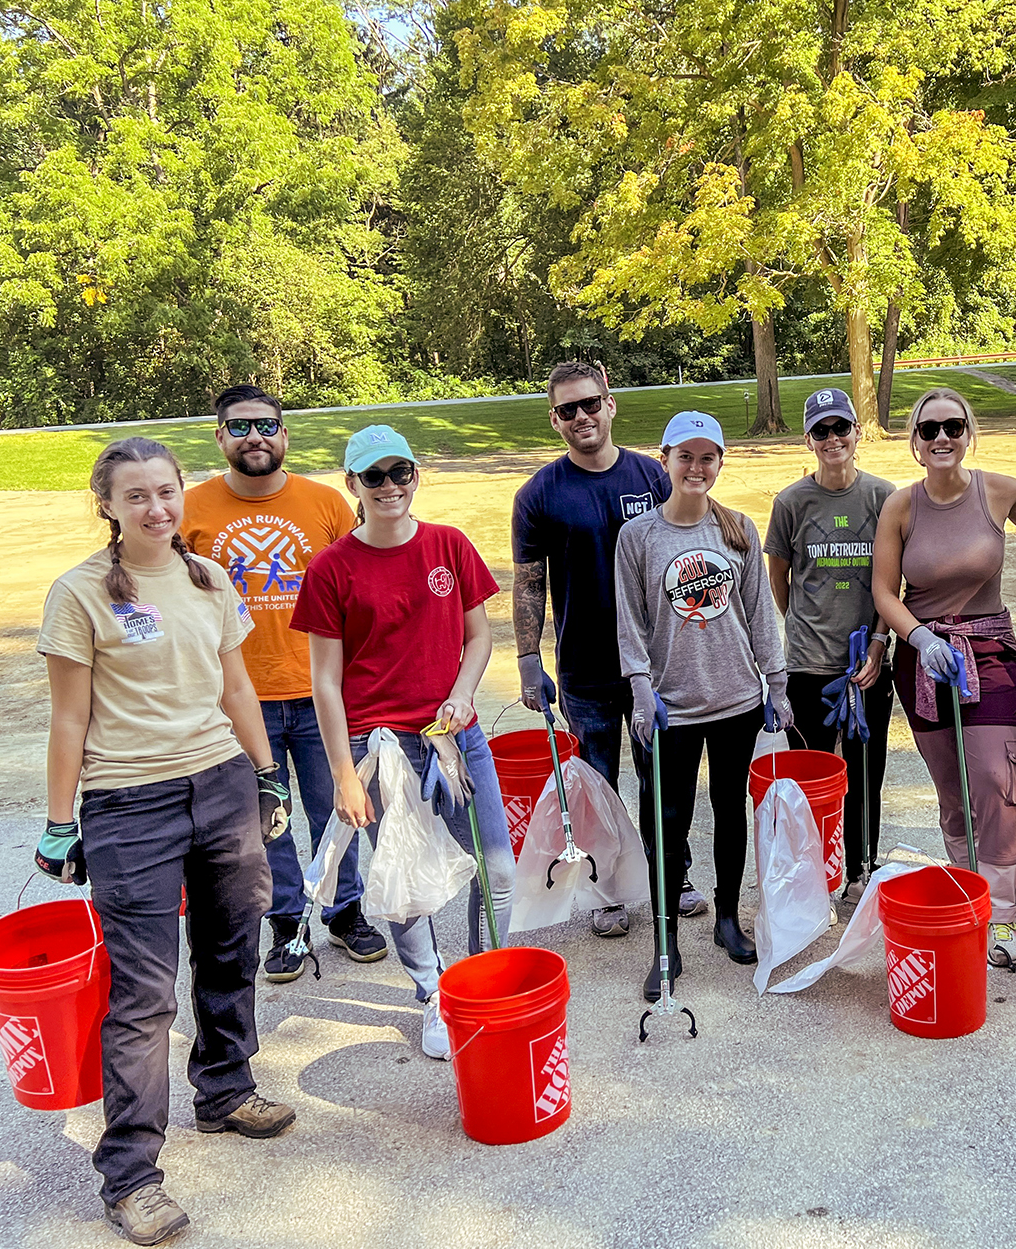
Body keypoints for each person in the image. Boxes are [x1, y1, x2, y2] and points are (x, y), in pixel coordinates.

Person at [36, 437, 296, 1246]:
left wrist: (266, 773)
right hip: (128, 805)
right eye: (136, 496)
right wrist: (57, 821)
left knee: (230, 951)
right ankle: (131, 1178)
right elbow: (69, 718)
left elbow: (236, 684)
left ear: (182, 494)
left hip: (221, 784)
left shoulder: (207, 577)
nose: (156, 508)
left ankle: (223, 1088)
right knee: (145, 996)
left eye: (166, 492)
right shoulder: (78, 593)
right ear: (107, 505)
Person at [290, 425, 513, 1058]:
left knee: (496, 867)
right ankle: (432, 996)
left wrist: (465, 692)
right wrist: (343, 773)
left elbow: (477, 640)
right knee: (405, 883)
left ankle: (479, 976)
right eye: (374, 476)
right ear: (352, 484)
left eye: (400, 473)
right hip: (380, 748)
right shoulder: (332, 568)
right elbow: (325, 683)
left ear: (416, 476)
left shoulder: (449, 545)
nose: (390, 487)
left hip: (453, 735)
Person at [181, 383, 387, 981]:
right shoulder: (190, 510)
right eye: (239, 427)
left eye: (266, 425)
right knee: (265, 817)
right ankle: (287, 923)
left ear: (285, 434)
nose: (255, 437)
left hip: (323, 690)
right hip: (239, 697)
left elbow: (360, 586)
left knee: (338, 807)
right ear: (220, 437)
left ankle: (344, 911)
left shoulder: (323, 503)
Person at [616, 411, 790, 1000]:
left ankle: (726, 920)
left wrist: (777, 683)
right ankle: (664, 941)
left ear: (720, 462)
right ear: (663, 458)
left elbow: (762, 612)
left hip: (736, 697)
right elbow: (630, 619)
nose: (696, 467)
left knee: (730, 812)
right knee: (668, 822)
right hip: (673, 706)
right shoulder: (638, 536)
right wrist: (640, 686)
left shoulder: (738, 528)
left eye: (707, 457)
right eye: (684, 456)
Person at [872, 388, 1016, 967]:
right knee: (954, 790)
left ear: (969, 433)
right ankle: (967, 894)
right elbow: (884, 592)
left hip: (990, 653)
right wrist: (919, 640)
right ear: (915, 444)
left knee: (998, 780)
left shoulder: (997, 491)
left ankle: (999, 915)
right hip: (922, 661)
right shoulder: (901, 507)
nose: (942, 438)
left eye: (953, 427)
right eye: (929, 430)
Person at [510, 361, 676, 938]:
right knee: (598, 788)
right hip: (586, 669)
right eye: (567, 410)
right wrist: (529, 658)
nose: (581, 416)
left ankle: (669, 876)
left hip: (657, 665)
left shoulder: (654, 478)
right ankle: (608, 890)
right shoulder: (539, 493)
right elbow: (529, 581)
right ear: (554, 420)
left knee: (663, 778)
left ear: (611, 405)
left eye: (590, 404)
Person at [765, 388, 896, 890]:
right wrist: (803, 625)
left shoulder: (884, 498)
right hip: (810, 662)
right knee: (814, 775)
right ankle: (816, 869)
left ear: (857, 432)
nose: (832, 438)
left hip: (868, 662)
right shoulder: (791, 503)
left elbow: (894, 580)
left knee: (867, 768)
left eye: (840, 427)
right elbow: (781, 578)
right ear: (808, 439)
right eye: (821, 430)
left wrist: (881, 642)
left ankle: (862, 866)